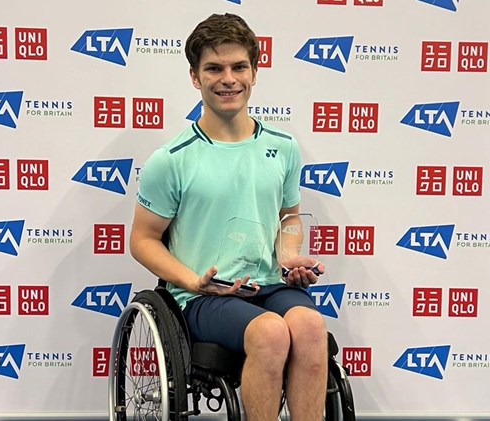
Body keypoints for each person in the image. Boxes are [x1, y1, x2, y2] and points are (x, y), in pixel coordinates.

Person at [129, 13, 327, 421]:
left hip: (270, 285)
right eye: (214, 68)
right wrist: (191, 281)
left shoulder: (284, 147)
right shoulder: (171, 160)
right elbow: (143, 239)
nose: (228, 79)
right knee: (271, 333)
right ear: (194, 77)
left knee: (310, 328)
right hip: (205, 296)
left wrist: (288, 253)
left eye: (239, 67)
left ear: (255, 72)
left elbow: (289, 216)